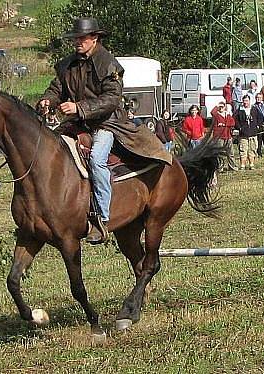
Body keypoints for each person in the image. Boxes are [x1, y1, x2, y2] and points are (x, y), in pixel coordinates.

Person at [37, 17, 171, 244]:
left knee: (97, 159)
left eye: (81, 38)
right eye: (75, 38)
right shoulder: (67, 65)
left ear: (94, 38)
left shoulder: (109, 64)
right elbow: (55, 89)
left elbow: (111, 99)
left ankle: (102, 218)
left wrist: (79, 107)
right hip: (78, 123)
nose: (77, 42)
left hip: (107, 123)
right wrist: (46, 101)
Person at [234, 95, 259, 170]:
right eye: (244, 101)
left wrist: (257, 125)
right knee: (243, 150)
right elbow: (235, 120)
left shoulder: (254, 109)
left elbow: (260, 118)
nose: (245, 103)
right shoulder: (239, 110)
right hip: (243, 134)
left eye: (247, 101)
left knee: (252, 149)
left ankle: (251, 164)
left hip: (253, 133)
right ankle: (242, 165)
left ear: (249, 101)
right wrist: (239, 128)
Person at [211, 101, 237, 171]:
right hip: (219, 137)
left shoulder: (227, 115)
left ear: (225, 107)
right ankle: (220, 167)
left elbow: (232, 123)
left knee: (230, 153)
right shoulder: (216, 115)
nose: (221, 108)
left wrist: (224, 124)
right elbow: (212, 112)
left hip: (228, 136)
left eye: (222, 107)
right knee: (219, 154)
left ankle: (232, 166)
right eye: (220, 107)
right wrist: (217, 106)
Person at [253, 92, 264, 157]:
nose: (258, 99)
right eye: (257, 98)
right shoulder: (254, 107)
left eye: (260, 98)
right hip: (259, 126)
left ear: (262, 98)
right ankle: (259, 154)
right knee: (259, 141)